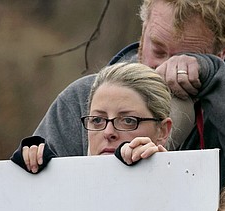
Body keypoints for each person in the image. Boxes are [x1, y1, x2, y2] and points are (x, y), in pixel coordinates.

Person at [13, 0, 225, 187]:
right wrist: (33, 163)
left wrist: (215, 80)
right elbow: (29, 200)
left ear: (220, 53)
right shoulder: (82, 98)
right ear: (143, 34)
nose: (166, 70)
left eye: (187, 57)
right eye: (158, 50)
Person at [11, 62, 172, 168]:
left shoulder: (185, 188)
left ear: (163, 131)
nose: (108, 132)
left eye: (128, 121)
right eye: (97, 120)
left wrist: (163, 173)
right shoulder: (64, 188)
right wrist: (28, 172)